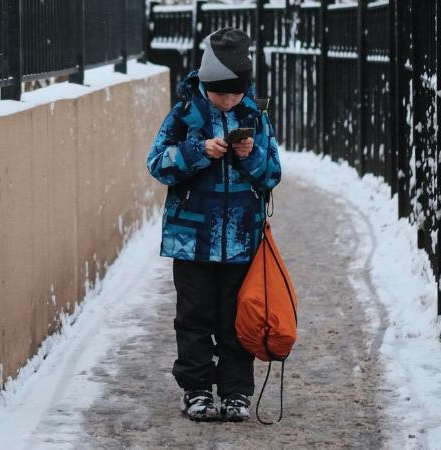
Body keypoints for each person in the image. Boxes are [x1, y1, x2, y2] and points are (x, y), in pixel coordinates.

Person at [145, 27, 282, 422]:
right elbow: (157, 164)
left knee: (237, 319)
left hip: (241, 240)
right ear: (207, 85)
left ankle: (236, 392)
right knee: (194, 318)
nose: (230, 101)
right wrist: (197, 151)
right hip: (191, 242)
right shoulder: (185, 116)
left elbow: (271, 175)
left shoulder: (254, 116)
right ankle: (197, 389)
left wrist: (250, 154)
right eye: (223, 94)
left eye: (238, 93)